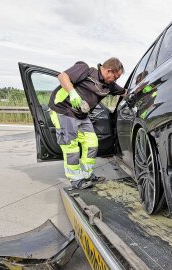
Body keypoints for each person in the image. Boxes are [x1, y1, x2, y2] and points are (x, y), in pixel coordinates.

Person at [48, 58, 127, 189]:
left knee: (92, 143)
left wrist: (143, 90)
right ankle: (75, 179)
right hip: (63, 110)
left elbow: (125, 92)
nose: (116, 80)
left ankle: (86, 175)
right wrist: (72, 93)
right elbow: (62, 77)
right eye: (116, 76)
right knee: (71, 147)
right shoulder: (86, 69)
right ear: (109, 71)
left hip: (82, 114)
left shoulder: (110, 85)